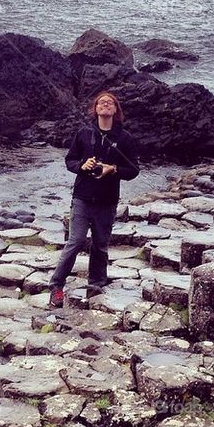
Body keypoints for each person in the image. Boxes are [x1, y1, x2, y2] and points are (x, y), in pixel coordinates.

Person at [48, 90, 140, 308]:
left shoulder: (124, 138)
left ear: (116, 110)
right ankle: (56, 285)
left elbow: (133, 170)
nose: (106, 105)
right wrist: (83, 165)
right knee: (76, 241)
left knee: (100, 245)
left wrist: (113, 169)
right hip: (82, 197)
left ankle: (96, 285)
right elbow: (70, 161)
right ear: (96, 108)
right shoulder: (84, 133)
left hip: (107, 201)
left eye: (110, 103)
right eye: (101, 102)